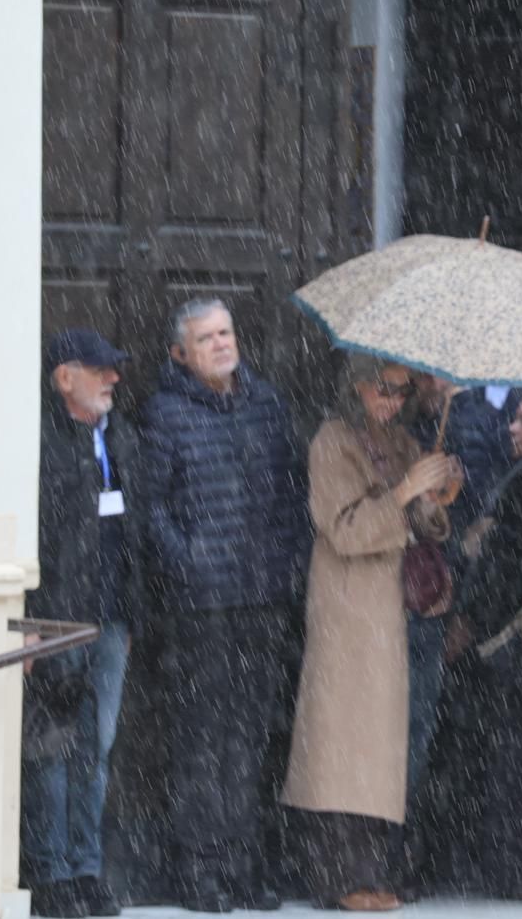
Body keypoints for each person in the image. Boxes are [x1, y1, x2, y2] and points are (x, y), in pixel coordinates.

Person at [142, 298, 308, 913]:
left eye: (226, 332)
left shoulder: (267, 406)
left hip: (262, 600)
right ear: (180, 354)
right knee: (201, 740)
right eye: (206, 337)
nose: (221, 344)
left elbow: (293, 493)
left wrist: (288, 565)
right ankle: (199, 871)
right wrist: (188, 564)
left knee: (250, 738)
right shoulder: (164, 413)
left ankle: (242, 866)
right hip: (200, 607)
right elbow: (150, 507)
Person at [281, 356, 456, 913]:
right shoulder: (332, 442)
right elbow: (346, 529)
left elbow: (422, 528)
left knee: (387, 750)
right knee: (344, 747)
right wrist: (405, 491)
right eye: (384, 390)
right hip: (352, 613)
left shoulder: (403, 441)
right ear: (355, 387)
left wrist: (433, 497)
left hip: (396, 616)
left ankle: (379, 869)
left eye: (403, 393)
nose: (393, 402)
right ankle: (337, 875)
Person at [415, 392, 522, 899]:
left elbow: (503, 565)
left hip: (514, 640)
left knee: (515, 758)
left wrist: (470, 617)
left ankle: (512, 870)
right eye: (515, 419)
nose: (513, 429)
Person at [23, 329, 144, 919]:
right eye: (99, 370)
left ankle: (87, 866)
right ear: (64, 378)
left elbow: (134, 529)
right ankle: (51, 874)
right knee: (51, 749)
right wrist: (27, 617)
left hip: (111, 619)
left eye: (114, 369)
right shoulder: (42, 441)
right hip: (55, 620)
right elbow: (33, 531)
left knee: (95, 750)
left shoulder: (120, 436)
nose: (112, 379)